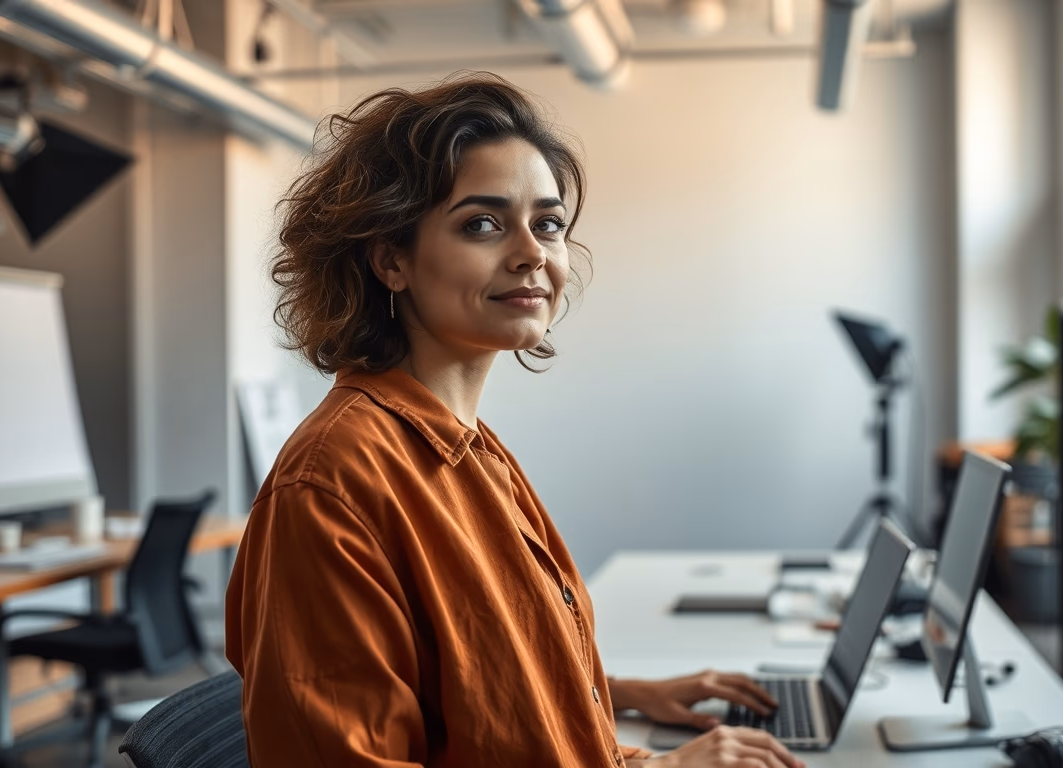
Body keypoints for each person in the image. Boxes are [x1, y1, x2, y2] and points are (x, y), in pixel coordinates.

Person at [226, 71, 804, 768]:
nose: (532, 253)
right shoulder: (334, 483)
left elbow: (494, 717)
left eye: (549, 224)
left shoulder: (473, 453)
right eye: (483, 224)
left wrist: (632, 732)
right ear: (391, 260)